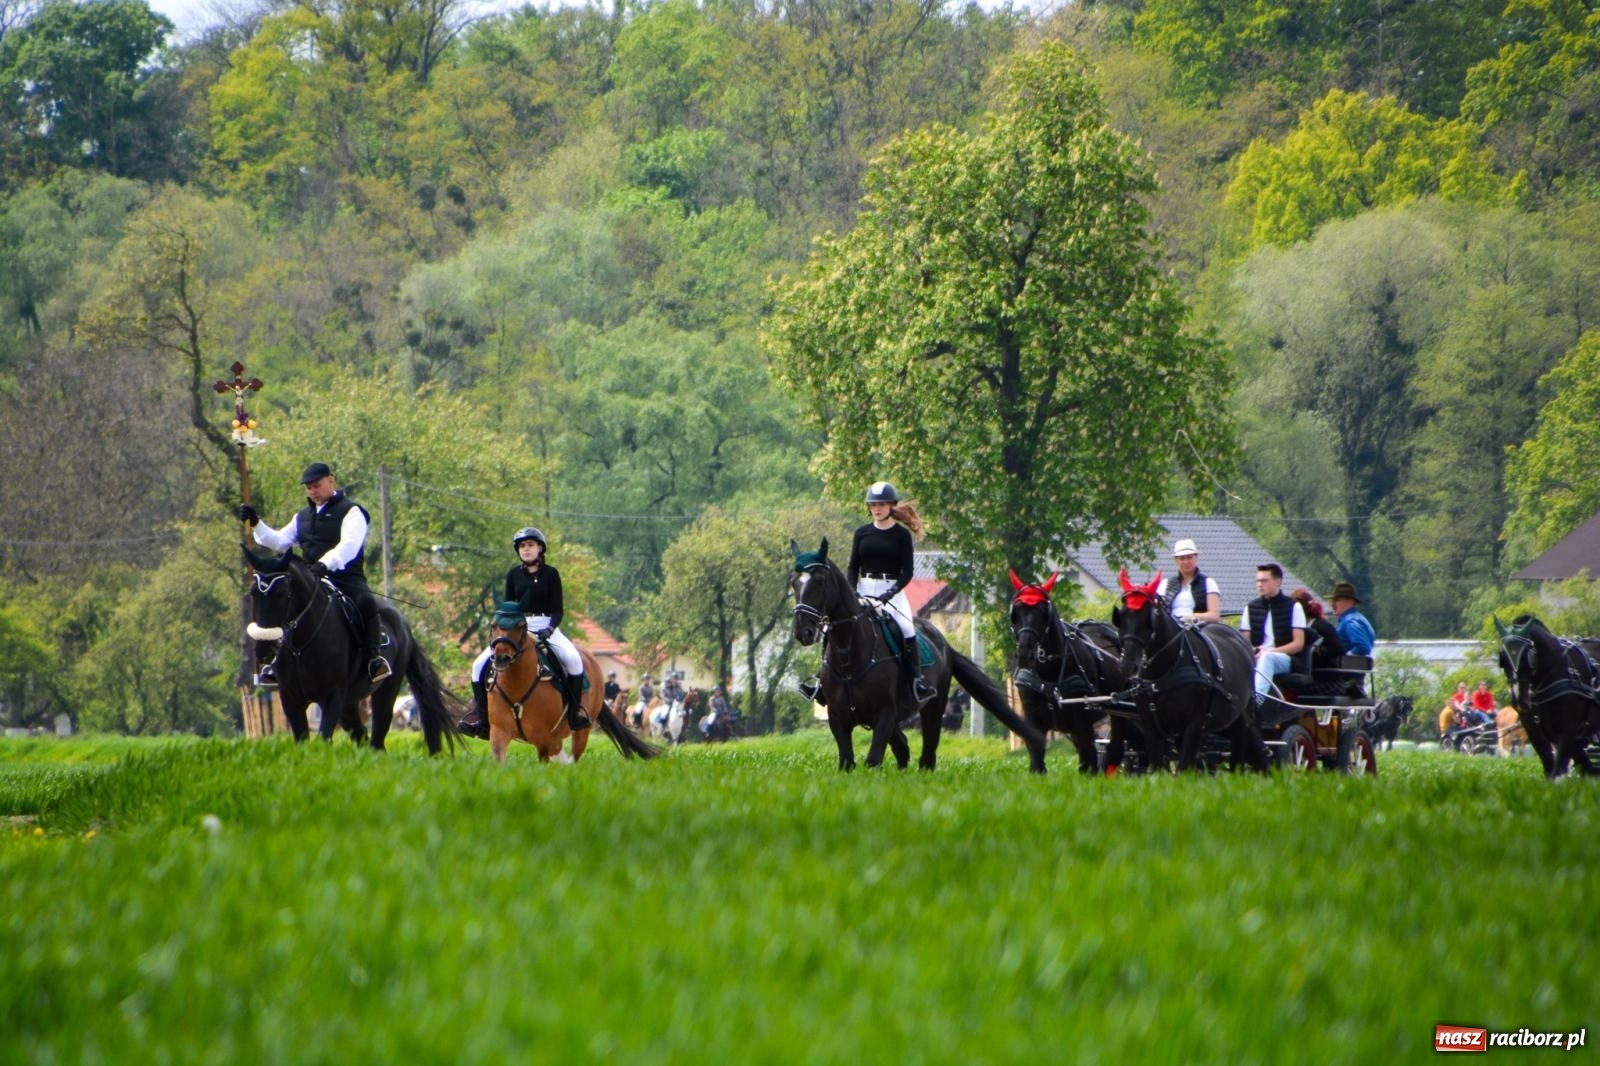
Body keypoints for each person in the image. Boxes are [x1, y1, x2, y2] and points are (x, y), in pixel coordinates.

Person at [241, 462, 391, 685]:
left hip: (345, 578)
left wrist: (325, 564)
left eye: (316, 486)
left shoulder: (352, 512)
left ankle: (373, 659)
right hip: (310, 580)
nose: (312, 491)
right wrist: (256, 524)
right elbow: (280, 541)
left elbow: (349, 545)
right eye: (309, 487)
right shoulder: (302, 517)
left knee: (365, 601)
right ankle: (273, 662)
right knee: (283, 606)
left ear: (331, 481)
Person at [460, 526, 590, 739]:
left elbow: (558, 610)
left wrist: (550, 628)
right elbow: (509, 607)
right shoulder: (513, 575)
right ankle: (482, 719)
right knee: (477, 666)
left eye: (530, 545)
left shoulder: (551, 574)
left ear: (540, 548)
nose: (526, 549)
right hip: (517, 627)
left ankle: (575, 713)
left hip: (546, 625)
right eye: (522, 546)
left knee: (574, 660)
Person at [1240, 562, 1307, 699]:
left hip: (1285, 658)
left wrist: (1269, 651)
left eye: (1264, 580)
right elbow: (1244, 641)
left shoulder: (1294, 607)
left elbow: (1298, 644)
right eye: (1258, 581)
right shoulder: (1250, 608)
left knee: (1267, 658)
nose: (1259, 584)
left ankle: (1256, 700)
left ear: (1278, 582)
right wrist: (1253, 651)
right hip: (1257, 655)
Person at [1163, 538, 1222, 623]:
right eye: (1182, 558)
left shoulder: (1208, 583)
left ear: (1196, 558)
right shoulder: (1165, 585)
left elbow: (1214, 615)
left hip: (1198, 628)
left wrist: (1192, 617)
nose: (1186, 562)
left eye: (1189, 557)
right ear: (1176, 560)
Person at [1289, 588, 1345, 664]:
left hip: (1323, 669)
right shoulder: (1297, 628)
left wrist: (1316, 650)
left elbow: (1338, 649)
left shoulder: (1322, 626)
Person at [1328, 582, 1375, 656]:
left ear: (1350, 601)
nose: (1332, 604)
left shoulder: (1350, 621)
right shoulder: (1352, 618)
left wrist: (1345, 658)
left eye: (1337, 600)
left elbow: (1362, 647)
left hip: (1348, 667)